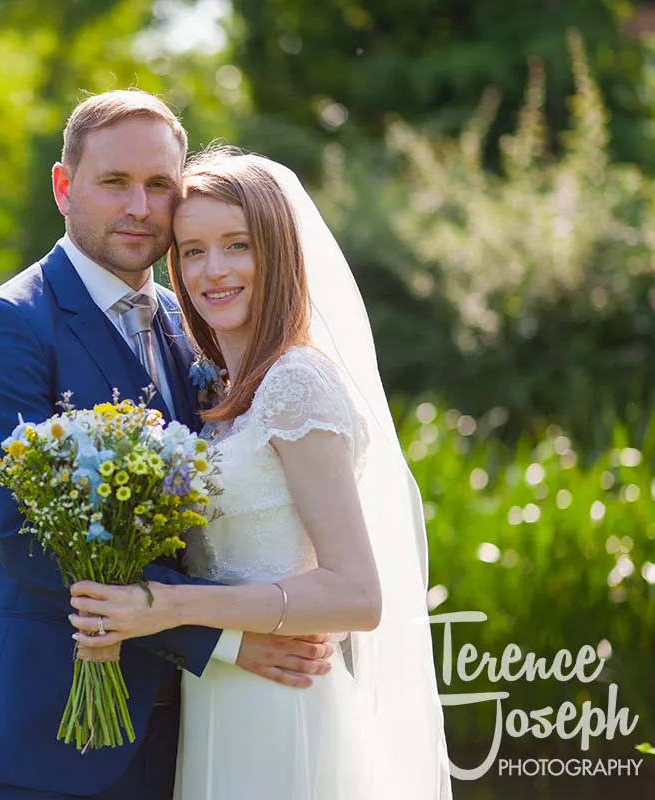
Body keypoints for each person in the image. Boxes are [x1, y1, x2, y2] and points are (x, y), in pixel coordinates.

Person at [0, 91, 338, 800]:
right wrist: (229, 640)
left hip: (194, 730)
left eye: (160, 186)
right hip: (49, 730)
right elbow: (31, 540)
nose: (141, 208)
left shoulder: (197, 320)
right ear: (64, 187)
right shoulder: (5, 325)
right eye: (115, 182)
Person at [67, 149, 453, 799]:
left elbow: (357, 596)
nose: (211, 271)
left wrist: (167, 608)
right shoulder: (219, 390)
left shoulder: (296, 385)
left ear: (276, 253)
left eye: (236, 246)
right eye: (191, 251)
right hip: (218, 698)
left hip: (283, 704)